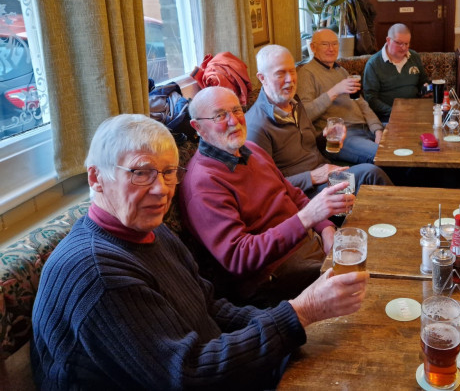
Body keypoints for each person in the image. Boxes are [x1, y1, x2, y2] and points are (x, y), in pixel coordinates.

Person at [32, 114, 368, 390]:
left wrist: (298, 326)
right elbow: (187, 374)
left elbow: (209, 306)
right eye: (140, 172)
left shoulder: (152, 230)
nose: (160, 189)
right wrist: (298, 314)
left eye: (167, 173)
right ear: (96, 178)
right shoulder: (98, 274)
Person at [180, 85, 357, 305]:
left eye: (236, 110)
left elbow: (293, 195)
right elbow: (239, 257)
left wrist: (327, 228)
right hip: (275, 277)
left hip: (310, 244)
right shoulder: (203, 184)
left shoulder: (252, 149)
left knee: (370, 248)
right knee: (365, 283)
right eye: (220, 116)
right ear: (198, 127)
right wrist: (307, 218)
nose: (234, 121)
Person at [246, 44, 391, 196]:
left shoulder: (294, 103)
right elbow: (262, 186)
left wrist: (325, 136)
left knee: (379, 171)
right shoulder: (256, 125)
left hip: (327, 176)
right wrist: (312, 177)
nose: (290, 79)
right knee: (369, 175)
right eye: (280, 74)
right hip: (306, 194)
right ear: (262, 78)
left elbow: (308, 145)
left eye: (292, 71)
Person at [298, 28, 384, 164]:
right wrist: (335, 91)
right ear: (313, 47)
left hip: (364, 129)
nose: (331, 49)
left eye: (335, 44)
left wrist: (377, 129)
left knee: (403, 141)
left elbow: (361, 103)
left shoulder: (341, 70)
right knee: (385, 156)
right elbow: (305, 114)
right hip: (340, 135)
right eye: (325, 44)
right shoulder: (306, 73)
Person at [362, 23, 428, 122]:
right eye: (399, 43)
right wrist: (394, 111)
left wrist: (427, 89)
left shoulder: (414, 57)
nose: (404, 48)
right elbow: (371, 99)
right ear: (388, 40)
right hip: (388, 117)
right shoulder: (374, 64)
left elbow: (423, 82)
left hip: (414, 112)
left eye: (407, 44)